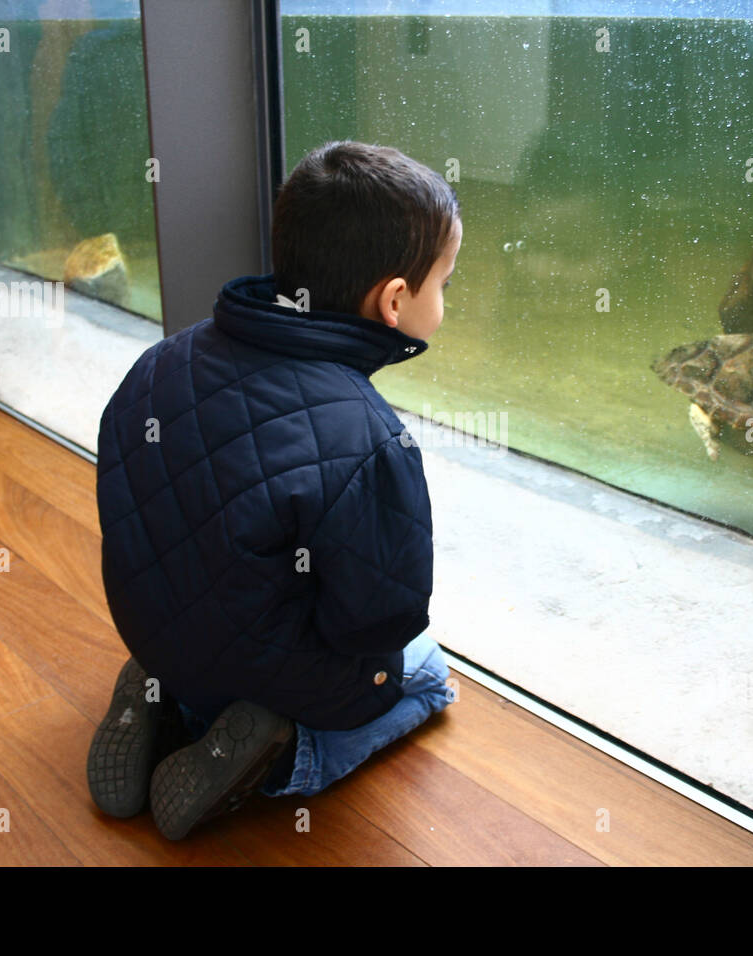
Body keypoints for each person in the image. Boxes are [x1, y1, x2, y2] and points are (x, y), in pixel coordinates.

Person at [86, 141, 462, 841]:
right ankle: (287, 757)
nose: (445, 301)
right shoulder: (368, 436)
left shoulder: (161, 359)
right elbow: (377, 624)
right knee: (432, 672)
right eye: (445, 283)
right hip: (260, 670)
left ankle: (164, 692)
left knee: (223, 601)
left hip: (152, 624)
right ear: (395, 299)